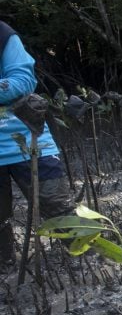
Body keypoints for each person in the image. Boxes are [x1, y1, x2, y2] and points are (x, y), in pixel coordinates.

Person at [0, 21, 74, 268]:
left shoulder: (3, 34)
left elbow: (23, 80)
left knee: (57, 207)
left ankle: (83, 263)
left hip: (27, 136)